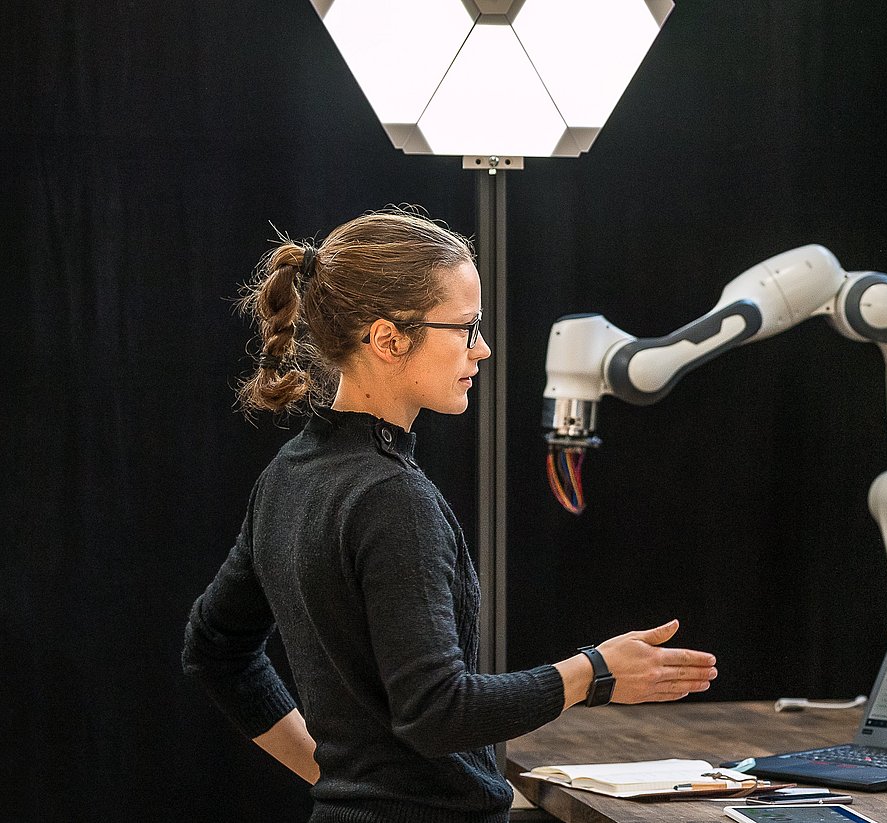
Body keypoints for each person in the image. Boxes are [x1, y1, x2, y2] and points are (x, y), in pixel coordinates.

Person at [183, 209, 720, 823]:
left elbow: (213, 648)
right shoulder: (391, 498)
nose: (482, 349)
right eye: (465, 328)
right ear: (388, 340)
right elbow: (437, 711)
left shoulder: (288, 474)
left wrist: (336, 777)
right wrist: (594, 671)